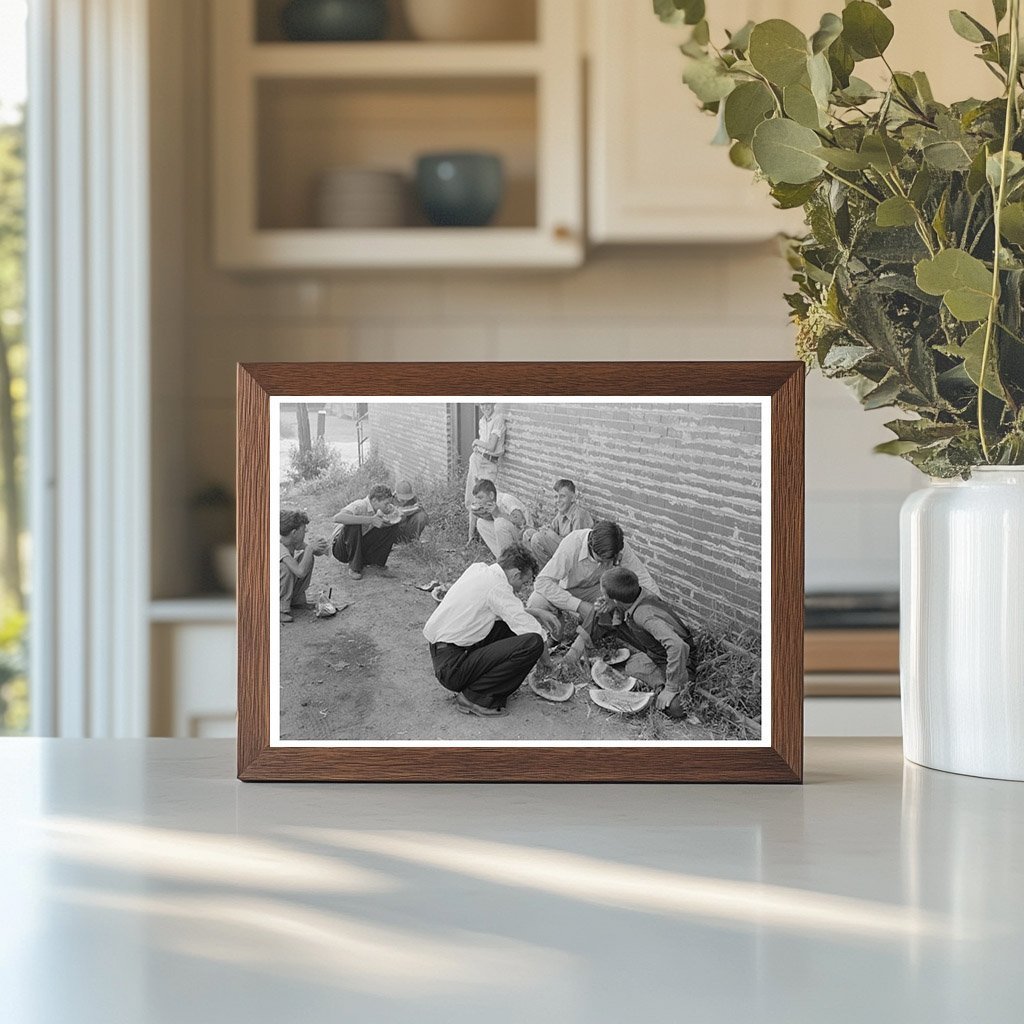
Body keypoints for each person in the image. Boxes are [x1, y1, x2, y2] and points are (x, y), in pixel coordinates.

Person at [423, 543, 551, 718]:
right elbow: (534, 632)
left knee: (509, 627)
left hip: (444, 654)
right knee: (533, 642)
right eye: (523, 581)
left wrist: (536, 612)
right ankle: (475, 697)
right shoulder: (498, 587)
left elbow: (508, 613)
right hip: (453, 668)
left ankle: (481, 686)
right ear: (515, 574)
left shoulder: (479, 569)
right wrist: (548, 666)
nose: (521, 588)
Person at [567, 567, 698, 712]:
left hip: (681, 660)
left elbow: (678, 646)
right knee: (601, 610)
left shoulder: (644, 616)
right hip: (655, 650)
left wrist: (671, 688)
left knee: (676, 707)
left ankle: (660, 685)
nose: (602, 596)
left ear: (616, 600)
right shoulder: (636, 596)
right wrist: (609, 608)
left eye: (604, 594)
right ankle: (572, 655)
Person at [526, 520, 660, 637]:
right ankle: (554, 635)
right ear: (591, 546)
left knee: (627, 593)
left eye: (611, 560)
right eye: (602, 560)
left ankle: (602, 630)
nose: (607, 565)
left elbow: (642, 578)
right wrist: (578, 606)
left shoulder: (619, 547)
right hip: (567, 589)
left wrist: (658, 607)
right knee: (536, 602)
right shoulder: (573, 544)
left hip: (597, 589)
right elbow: (542, 582)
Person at [331, 484, 401, 580]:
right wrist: (371, 520)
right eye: (386, 504)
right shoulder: (360, 505)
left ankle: (376, 563)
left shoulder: (379, 508)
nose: (388, 506)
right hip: (342, 548)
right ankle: (354, 567)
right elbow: (337, 518)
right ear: (375, 501)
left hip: (359, 545)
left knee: (392, 526)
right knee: (354, 524)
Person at [522, 478, 594, 566]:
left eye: (562, 496)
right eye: (556, 497)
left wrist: (550, 534)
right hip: (562, 549)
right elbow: (551, 529)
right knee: (528, 534)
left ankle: (548, 570)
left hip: (573, 557)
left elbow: (575, 548)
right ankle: (542, 567)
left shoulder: (578, 515)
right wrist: (545, 530)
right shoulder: (562, 512)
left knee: (537, 538)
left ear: (573, 498)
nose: (558, 501)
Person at [464, 402, 506, 543]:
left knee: (488, 499)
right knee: (472, 498)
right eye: (482, 404)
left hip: (490, 463)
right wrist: (478, 447)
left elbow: (492, 447)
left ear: (493, 403)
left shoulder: (498, 419)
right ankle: (471, 538)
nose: (485, 407)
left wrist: (476, 442)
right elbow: (484, 445)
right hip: (477, 460)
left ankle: (492, 537)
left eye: (487, 403)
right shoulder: (482, 421)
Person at [279, 510, 328, 623]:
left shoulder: (291, 541)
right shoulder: (279, 547)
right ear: (294, 532)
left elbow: (316, 552)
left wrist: (321, 547)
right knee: (285, 568)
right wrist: (310, 548)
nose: (306, 531)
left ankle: (296, 601)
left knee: (307, 558)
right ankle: (280, 610)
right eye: (303, 529)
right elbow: (300, 572)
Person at [470, 479, 529, 558]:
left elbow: (521, 521)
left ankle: (512, 561)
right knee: (481, 523)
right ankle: (503, 559)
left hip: (525, 538)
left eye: (480, 498)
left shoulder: (505, 499)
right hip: (512, 534)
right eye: (476, 498)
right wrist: (484, 515)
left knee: (499, 522)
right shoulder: (491, 503)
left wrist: (498, 514)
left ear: (491, 495)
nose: (478, 502)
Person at [393, 480, 430, 544]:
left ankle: (412, 541)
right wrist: (410, 509)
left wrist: (418, 509)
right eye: (402, 499)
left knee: (421, 516)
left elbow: (426, 518)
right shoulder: (390, 499)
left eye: (407, 499)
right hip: (395, 532)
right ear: (396, 494)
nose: (405, 501)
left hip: (409, 529)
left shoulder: (414, 499)